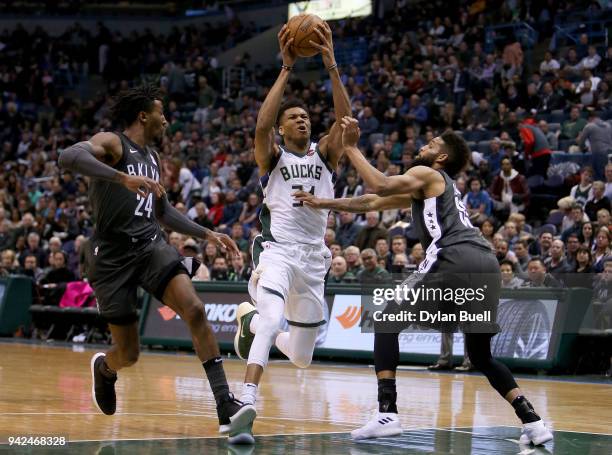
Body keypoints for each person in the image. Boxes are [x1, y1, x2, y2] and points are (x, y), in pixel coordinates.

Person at [295, 117, 552, 445]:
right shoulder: (429, 187)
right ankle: (533, 422)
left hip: (454, 255)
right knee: (482, 355)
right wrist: (324, 203)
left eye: (430, 145)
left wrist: (350, 148)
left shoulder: (427, 173)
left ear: (441, 157)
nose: (422, 147)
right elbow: (373, 202)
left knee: (386, 319)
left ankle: (387, 412)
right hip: (486, 264)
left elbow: (381, 186)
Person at [57, 85, 253, 436]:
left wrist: (206, 233)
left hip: (150, 245)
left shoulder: (153, 158)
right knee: (129, 354)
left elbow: (163, 214)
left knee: (194, 309)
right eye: (162, 112)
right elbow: (67, 158)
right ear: (144, 115)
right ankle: (105, 368)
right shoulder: (113, 143)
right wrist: (121, 176)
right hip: (112, 256)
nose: (167, 119)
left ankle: (225, 403)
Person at [231, 22, 350, 444]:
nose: (302, 120)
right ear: (283, 129)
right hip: (277, 252)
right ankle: (245, 400)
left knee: (300, 358)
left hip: (314, 259)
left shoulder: (326, 155)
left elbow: (345, 121)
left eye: (305, 117)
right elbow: (261, 128)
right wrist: (286, 69)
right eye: (294, 117)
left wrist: (331, 65)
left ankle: (246, 322)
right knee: (272, 318)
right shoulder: (273, 157)